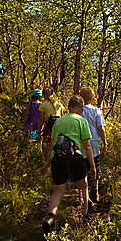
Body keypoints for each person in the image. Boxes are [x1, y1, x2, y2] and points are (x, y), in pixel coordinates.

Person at [39, 95, 96, 232]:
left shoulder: (58, 122)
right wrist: (92, 166)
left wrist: (48, 165)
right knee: (83, 186)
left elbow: (52, 146)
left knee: (58, 191)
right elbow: (87, 146)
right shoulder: (81, 121)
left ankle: (50, 218)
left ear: (68, 106)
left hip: (57, 158)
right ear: (81, 109)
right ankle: (85, 216)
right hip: (74, 157)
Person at [78, 86, 106, 207]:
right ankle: (94, 190)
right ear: (93, 99)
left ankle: (83, 194)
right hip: (94, 142)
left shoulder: (78, 111)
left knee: (82, 167)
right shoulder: (96, 111)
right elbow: (101, 128)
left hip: (80, 142)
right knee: (95, 163)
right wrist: (105, 142)